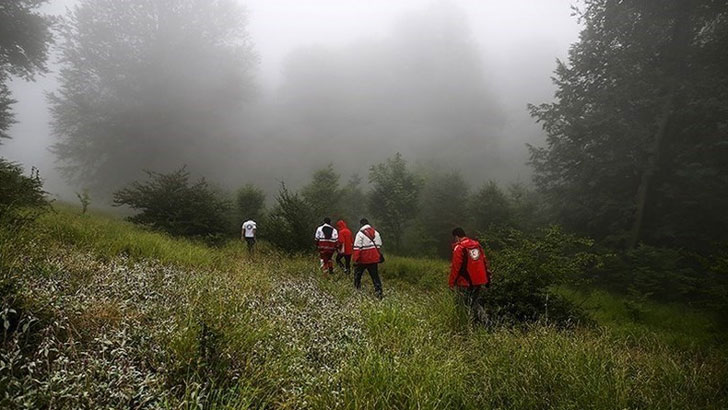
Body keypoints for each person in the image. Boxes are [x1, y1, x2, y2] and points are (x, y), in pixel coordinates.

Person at [449, 227, 491, 324]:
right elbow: (485, 262)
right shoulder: (477, 245)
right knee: (474, 302)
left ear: (456, 237)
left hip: (465, 282)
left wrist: (451, 284)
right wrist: (488, 278)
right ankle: (481, 322)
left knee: (462, 303)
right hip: (479, 281)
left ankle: (478, 323)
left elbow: (456, 267)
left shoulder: (459, 248)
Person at [352, 218, 384, 299]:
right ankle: (379, 292)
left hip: (363, 259)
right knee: (375, 276)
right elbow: (379, 245)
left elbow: (357, 248)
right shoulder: (376, 232)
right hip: (373, 258)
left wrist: (355, 259)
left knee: (358, 275)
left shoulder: (359, 234)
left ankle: (357, 290)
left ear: (361, 224)